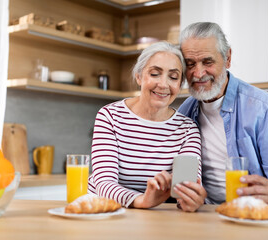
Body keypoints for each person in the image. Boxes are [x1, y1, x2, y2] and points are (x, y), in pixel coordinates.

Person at [177, 22, 268, 211]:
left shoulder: (263, 107)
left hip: (257, 215)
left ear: (227, 58)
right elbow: (182, 180)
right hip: (209, 216)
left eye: (207, 62)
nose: (198, 73)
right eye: (190, 64)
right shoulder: (184, 113)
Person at [88, 41, 205, 212]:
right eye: (155, 74)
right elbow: (104, 184)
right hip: (107, 212)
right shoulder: (110, 116)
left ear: (179, 85)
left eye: (173, 77)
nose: (164, 84)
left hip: (157, 219)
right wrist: (142, 200)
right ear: (139, 76)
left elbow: (186, 187)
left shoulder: (187, 129)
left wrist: (189, 199)